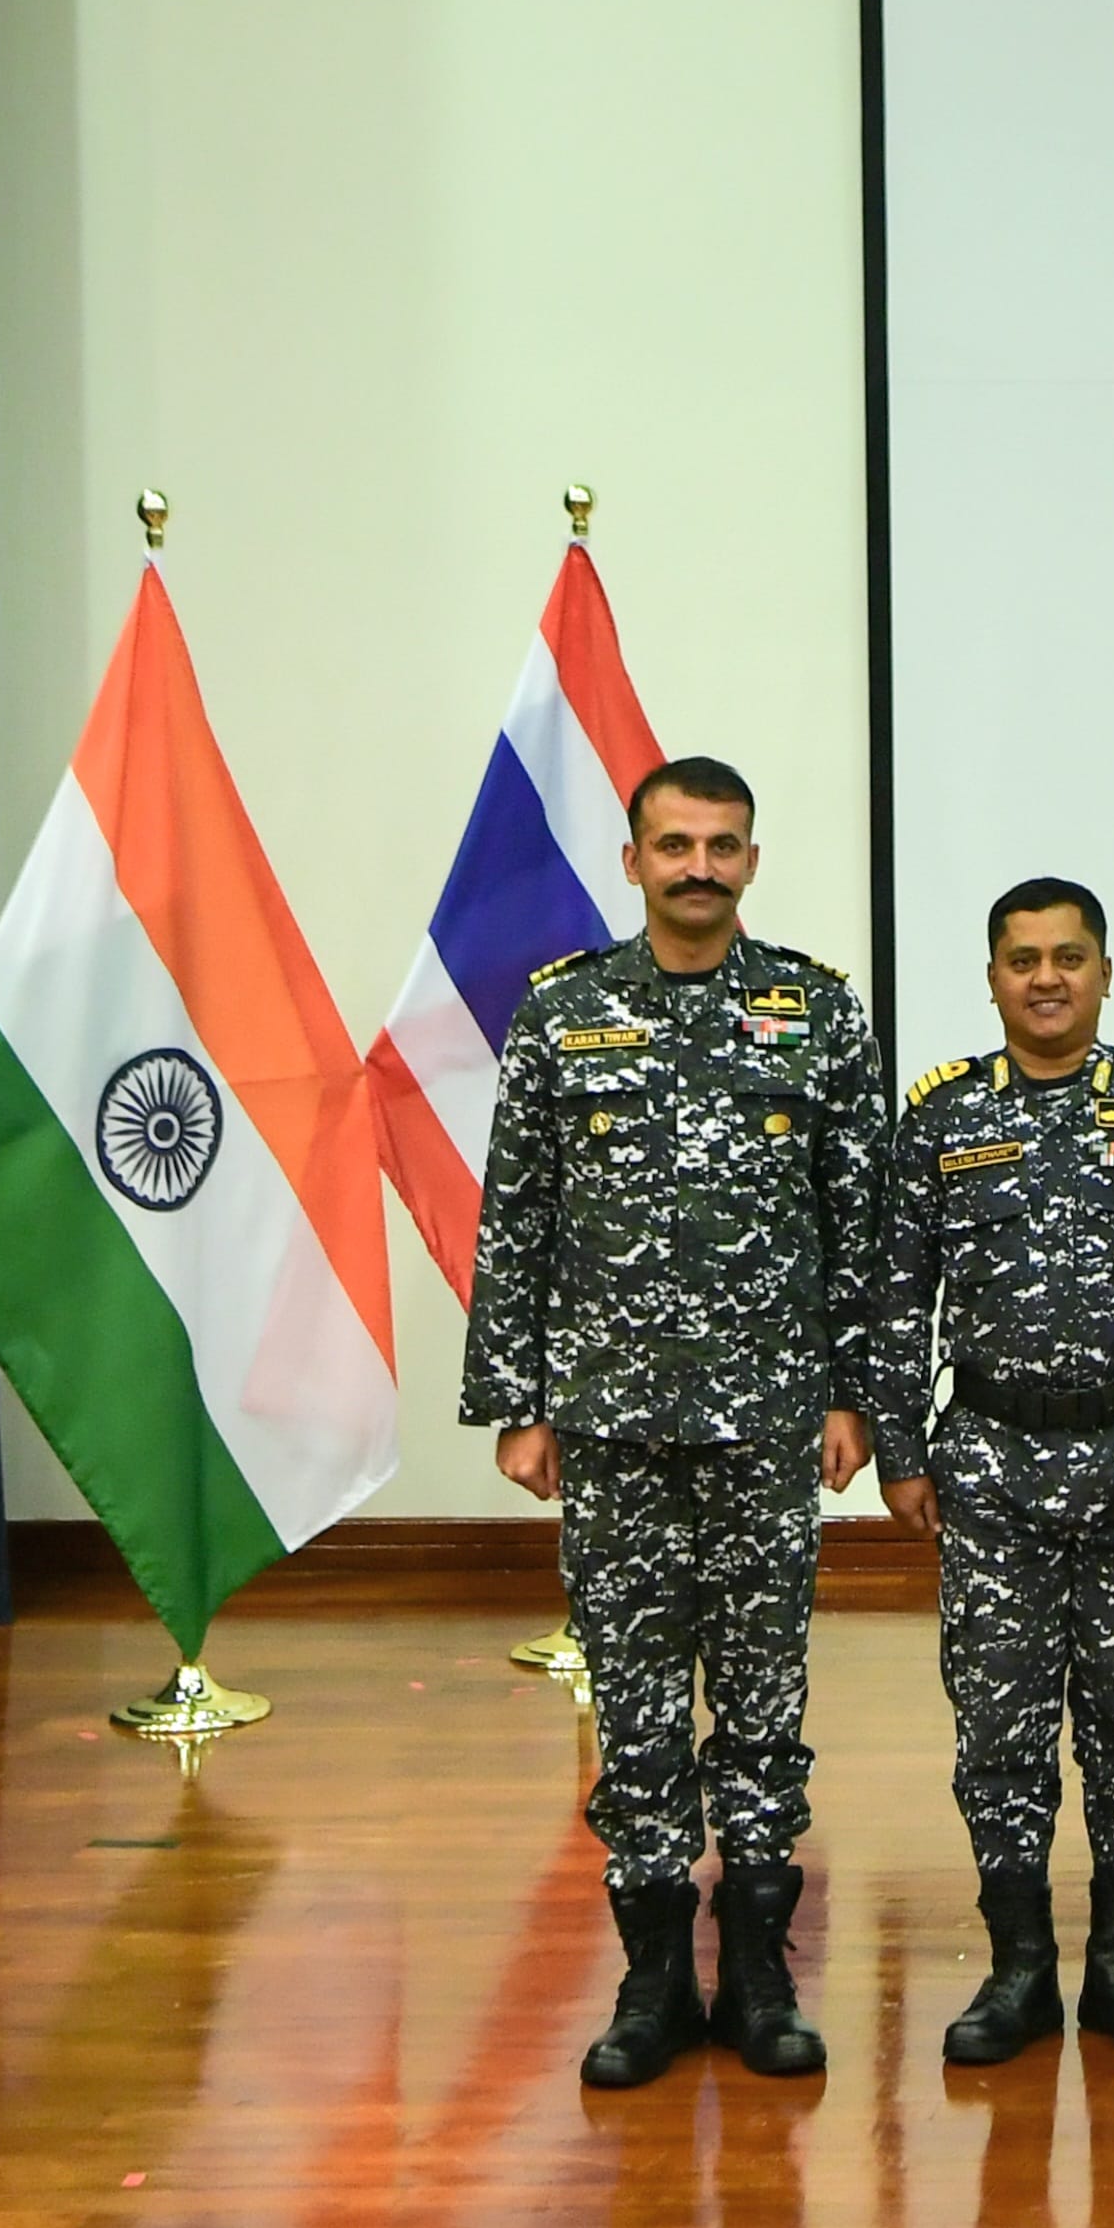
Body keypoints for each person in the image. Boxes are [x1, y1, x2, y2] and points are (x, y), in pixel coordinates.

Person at [460, 755, 888, 2088]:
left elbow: (859, 1217)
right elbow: (519, 1211)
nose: (699, 865)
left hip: (767, 1415)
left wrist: (852, 1392)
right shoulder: (565, 1011)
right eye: (675, 843)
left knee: (763, 1701)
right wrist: (518, 1402)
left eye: (722, 844)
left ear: (751, 859)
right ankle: (652, 1977)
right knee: (637, 1704)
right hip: (614, 1423)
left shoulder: (814, 1011)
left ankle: (758, 1971)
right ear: (634, 858)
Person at [882, 876, 1114, 2064]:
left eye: (1068, 957)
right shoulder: (942, 1116)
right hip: (990, 1459)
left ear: (1103, 971)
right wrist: (899, 1447)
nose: (1046, 978)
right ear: (993, 977)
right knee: (998, 1723)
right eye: (1023, 959)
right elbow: (898, 1291)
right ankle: (1017, 1968)